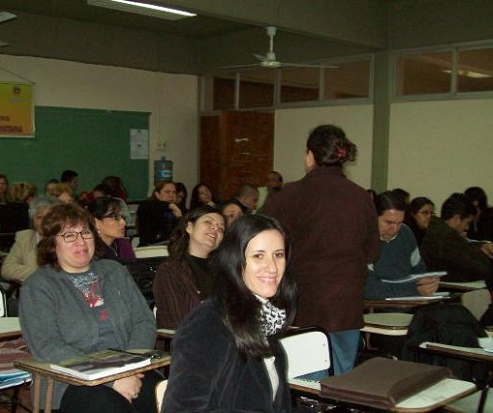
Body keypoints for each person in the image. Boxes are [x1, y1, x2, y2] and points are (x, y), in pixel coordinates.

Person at [19, 203, 159, 413]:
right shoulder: (38, 286)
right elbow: (47, 346)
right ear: (52, 244)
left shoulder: (114, 271)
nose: (80, 241)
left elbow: (144, 321)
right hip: (71, 380)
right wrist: (110, 379)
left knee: (172, 395)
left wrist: (129, 368)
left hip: (130, 368)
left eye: (85, 233)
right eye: (69, 235)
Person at [263, 124, 379, 375]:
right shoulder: (361, 197)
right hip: (347, 301)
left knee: (308, 380)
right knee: (342, 378)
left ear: (310, 155)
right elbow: (373, 252)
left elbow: (258, 239)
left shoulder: (289, 195)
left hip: (305, 302)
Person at [162, 214, 296, 412]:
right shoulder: (208, 324)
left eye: (278, 254)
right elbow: (181, 408)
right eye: (258, 256)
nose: (273, 267)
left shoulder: (266, 317)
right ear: (234, 260)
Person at [152, 206, 225, 329]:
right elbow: (180, 320)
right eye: (208, 222)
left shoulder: (225, 270)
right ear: (189, 227)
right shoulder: (170, 270)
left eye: (221, 228)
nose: (215, 228)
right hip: (189, 339)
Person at [364, 191, 438, 300]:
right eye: (389, 223)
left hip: (411, 302)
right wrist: (414, 290)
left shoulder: (405, 232)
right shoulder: (363, 239)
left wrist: (425, 282)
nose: (395, 229)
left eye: (399, 223)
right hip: (380, 307)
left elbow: (419, 268)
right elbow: (369, 289)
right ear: (374, 216)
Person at [421, 193, 493, 286]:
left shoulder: (435, 228)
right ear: (457, 218)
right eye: (467, 223)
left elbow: (463, 248)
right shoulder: (446, 236)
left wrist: (481, 247)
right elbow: (482, 267)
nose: (467, 228)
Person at [1, 196, 59, 282]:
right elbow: (7, 269)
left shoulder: (66, 239)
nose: (44, 222)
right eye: (39, 217)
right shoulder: (25, 237)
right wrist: (41, 273)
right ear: (33, 219)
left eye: (49, 217)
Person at [88, 196, 136, 260]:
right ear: (96, 223)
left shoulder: (123, 245)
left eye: (122, 217)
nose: (123, 222)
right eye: (114, 217)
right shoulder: (89, 250)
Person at [136, 181, 181, 246]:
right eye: (167, 192)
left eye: (174, 192)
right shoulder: (147, 206)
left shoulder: (177, 210)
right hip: (150, 249)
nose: (171, 195)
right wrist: (170, 205)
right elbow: (146, 207)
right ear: (157, 194)